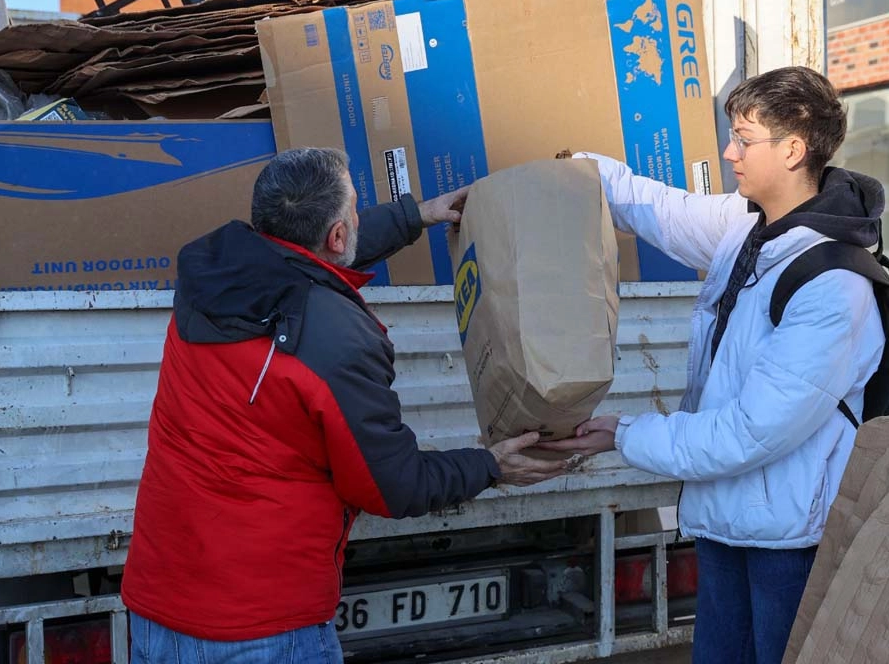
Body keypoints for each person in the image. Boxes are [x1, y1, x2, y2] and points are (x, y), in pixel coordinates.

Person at [122, 148, 565, 663]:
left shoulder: (211, 275)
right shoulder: (333, 339)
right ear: (336, 235)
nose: (358, 218)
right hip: (261, 628)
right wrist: (490, 466)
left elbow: (314, 256)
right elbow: (391, 486)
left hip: (158, 604)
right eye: (354, 210)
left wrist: (415, 215)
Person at [541, 66, 887, 664]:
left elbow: (753, 430)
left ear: (793, 149)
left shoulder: (833, 283)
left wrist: (625, 435)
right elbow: (656, 209)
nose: (729, 153)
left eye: (744, 139)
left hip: (788, 544)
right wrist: (576, 170)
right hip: (728, 522)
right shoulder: (748, 228)